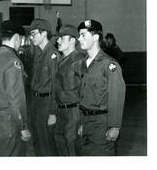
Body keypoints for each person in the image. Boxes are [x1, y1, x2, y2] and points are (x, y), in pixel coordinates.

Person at [76, 19, 126, 156]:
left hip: (101, 123)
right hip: (86, 121)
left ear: (96, 37)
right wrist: (82, 122)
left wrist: (114, 126)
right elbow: (83, 95)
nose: (79, 39)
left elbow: (117, 96)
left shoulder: (109, 64)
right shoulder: (83, 63)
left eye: (83, 35)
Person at [0, 20, 31, 156]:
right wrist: (24, 127)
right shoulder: (13, 62)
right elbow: (16, 100)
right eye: (21, 39)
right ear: (16, 38)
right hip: (9, 125)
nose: (20, 42)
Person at [29, 18, 60, 156]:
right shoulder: (39, 53)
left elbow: (56, 85)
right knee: (37, 142)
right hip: (36, 102)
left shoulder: (52, 54)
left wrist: (53, 112)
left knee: (46, 143)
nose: (32, 37)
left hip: (46, 103)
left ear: (44, 34)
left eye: (34, 33)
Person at [53, 25, 84, 156]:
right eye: (58, 38)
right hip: (61, 112)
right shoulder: (61, 61)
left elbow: (86, 92)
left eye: (62, 38)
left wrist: (83, 122)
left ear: (72, 41)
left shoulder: (79, 61)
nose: (58, 41)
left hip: (74, 113)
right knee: (61, 147)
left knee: (73, 150)